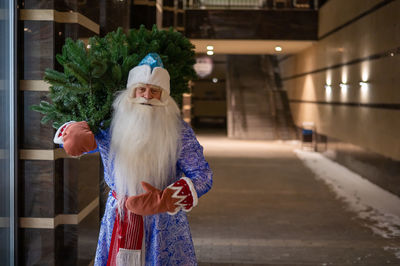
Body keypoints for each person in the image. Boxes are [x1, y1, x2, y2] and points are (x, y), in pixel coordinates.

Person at [54, 53, 213, 265]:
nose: (147, 95)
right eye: (141, 89)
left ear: (164, 96)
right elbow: (81, 143)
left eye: (154, 90)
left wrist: (167, 199)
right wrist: (73, 133)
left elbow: (202, 175)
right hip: (119, 213)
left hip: (163, 223)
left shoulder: (179, 132)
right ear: (131, 92)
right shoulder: (110, 125)